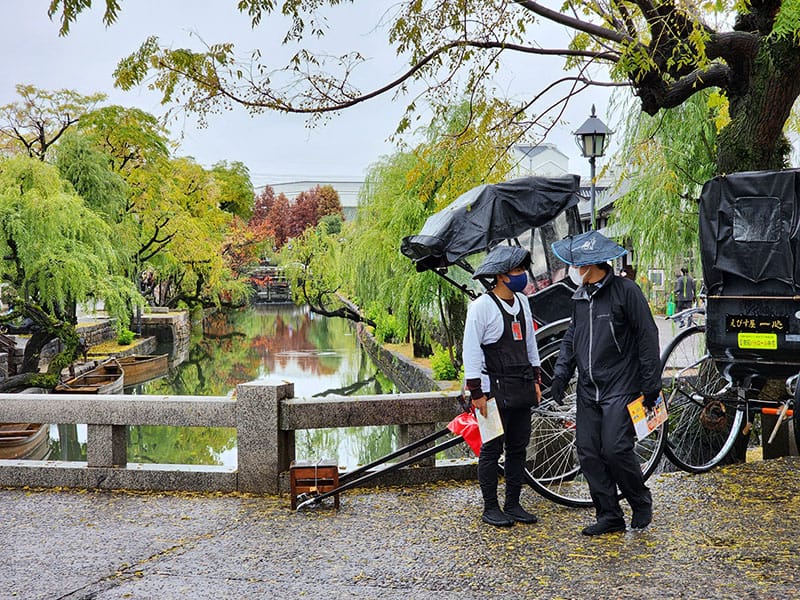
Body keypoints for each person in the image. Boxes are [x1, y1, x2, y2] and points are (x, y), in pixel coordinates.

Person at [549, 231, 661, 536]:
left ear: (589, 265)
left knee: (614, 448)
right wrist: (561, 373)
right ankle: (609, 514)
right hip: (588, 387)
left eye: (576, 265)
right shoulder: (579, 296)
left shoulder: (626, 292)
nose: (573, 270)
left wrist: (651, 385)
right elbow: (571, 338)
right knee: (588, 452)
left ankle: (640, 501)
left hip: (620, 385)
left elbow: (647, 338)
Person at [462, 245, 542, 528]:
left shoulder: (523, 301)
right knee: (492, 448)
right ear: (500, 276)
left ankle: (513, 503)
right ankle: (491, 507)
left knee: (518, 447)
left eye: (523, 270)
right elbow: (470, 351)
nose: (522, 275)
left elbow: (530, 343)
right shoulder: (481, 307)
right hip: (492, 390)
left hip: (520, 385)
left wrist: (536, 378)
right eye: (517, 271)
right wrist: (476, 393)